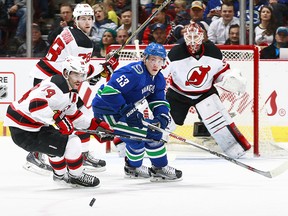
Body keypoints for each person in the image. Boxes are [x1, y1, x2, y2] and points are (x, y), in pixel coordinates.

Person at [28, 3, 119, 174]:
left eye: (89, 18)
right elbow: (81, 70)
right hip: (50, 81)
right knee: (55, 119)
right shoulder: (83, 41)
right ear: (76, 20)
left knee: (81, 114)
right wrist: (105, 67)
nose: (87, 22)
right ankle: (35, 155)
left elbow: (76, 69)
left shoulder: (69, 31)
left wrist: (100, 71)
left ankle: (82, 154)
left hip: (50, 77)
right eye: (83, 18)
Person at [4, 56, 114, 187]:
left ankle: (60, 176)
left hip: (34, 126)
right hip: (23, 129)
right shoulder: (55, 86)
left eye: (82, 75)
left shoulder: (70, 91)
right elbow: (35, 106)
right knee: (73, 142)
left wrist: (95, 126)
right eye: (76, 74)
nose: (80, 79)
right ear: (66, 73)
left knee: (58, 142)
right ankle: (76, 176)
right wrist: (58, 119)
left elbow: (74, 116)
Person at [91, 42, 182, 181]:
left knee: (138, 138)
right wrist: (125, 109)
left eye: (159, 60)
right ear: (145, 58)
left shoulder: (158, 78)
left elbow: (158, 99)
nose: (156, 64)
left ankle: (133, 168)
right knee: (152, 135)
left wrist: (162, 115)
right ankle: (159, 168)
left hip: (124, 112)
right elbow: (109, 91)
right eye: (152, 59)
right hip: (107, 112)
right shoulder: (133, 72)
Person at [162, 21, 251, 159]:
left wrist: (229, 78)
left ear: (202, 36)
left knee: (219, 122)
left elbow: (220, 73)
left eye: (195, 37)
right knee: (166, 122)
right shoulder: (175, 53)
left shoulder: (213, 51)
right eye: (189, 37)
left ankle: (234, 147)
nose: (192, 41)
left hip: (205, 94)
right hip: (178, 94)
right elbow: (161, 73)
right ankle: (150, 143)